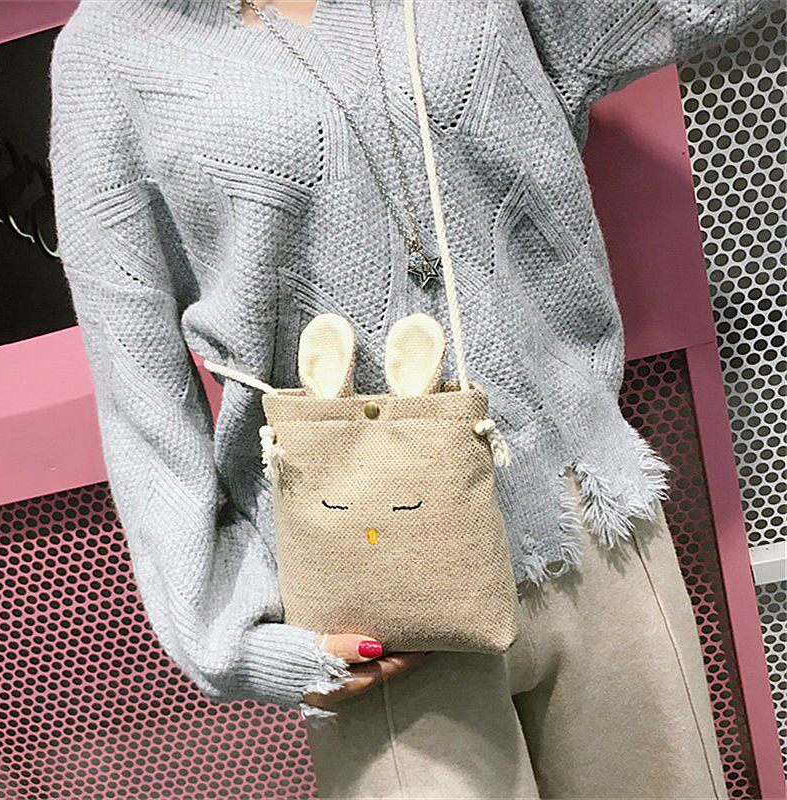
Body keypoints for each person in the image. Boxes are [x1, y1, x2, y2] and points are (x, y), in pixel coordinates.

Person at [47, 1, 778, 797]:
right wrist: (229, 635)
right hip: (366, 585)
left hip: (583, 518)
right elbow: (139, 385)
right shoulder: (111, 56)